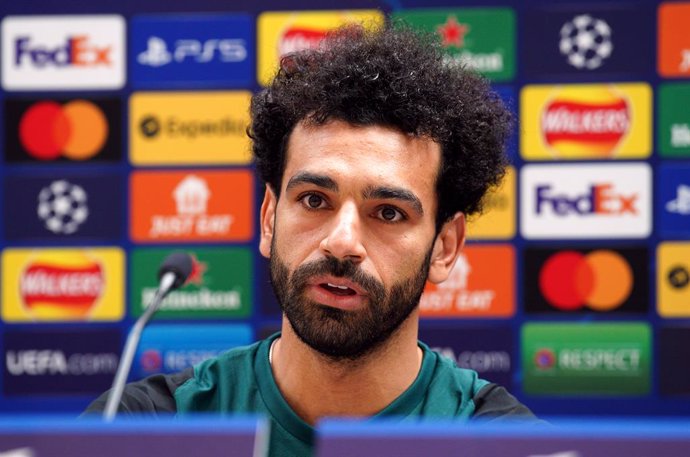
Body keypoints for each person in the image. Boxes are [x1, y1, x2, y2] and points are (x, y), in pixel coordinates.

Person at [84, 22, 538, 456]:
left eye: (388, 212)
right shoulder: (147, 428)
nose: (341, 243)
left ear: (444, 247)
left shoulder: (501, 442)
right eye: (315, 201)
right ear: (268, 218)